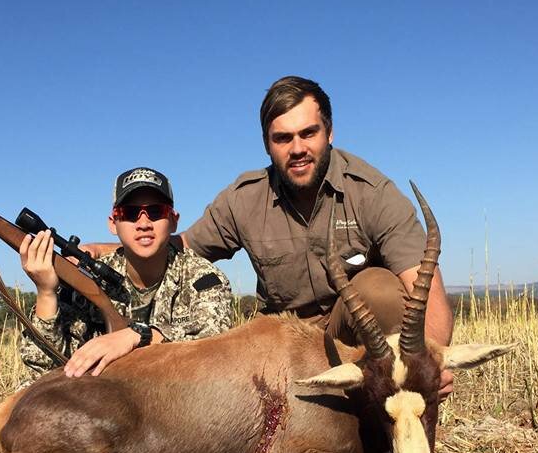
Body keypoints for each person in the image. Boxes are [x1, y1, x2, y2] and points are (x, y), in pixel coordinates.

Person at [85, 77, 455, 397]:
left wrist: (430, 361)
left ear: (329, 133)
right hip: (283, 345)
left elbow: (426, 287)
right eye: (283, 138)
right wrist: (101, 251)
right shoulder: (244, 198)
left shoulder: (373, 193)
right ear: (266, 144)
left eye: (308, 133)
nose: (297, 149)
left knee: (379, 290)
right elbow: (179, 247)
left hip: (351, 339)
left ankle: (388, 409)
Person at [19, 167, 234, 380]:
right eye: (130, 213)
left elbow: (216, 339)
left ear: (174, 220)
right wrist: (46, 292)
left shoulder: (203, 277)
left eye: (156, 211)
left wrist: (138, 336)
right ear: (113, 224)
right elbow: (41, 371)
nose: (143, 224)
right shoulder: (88, 281)